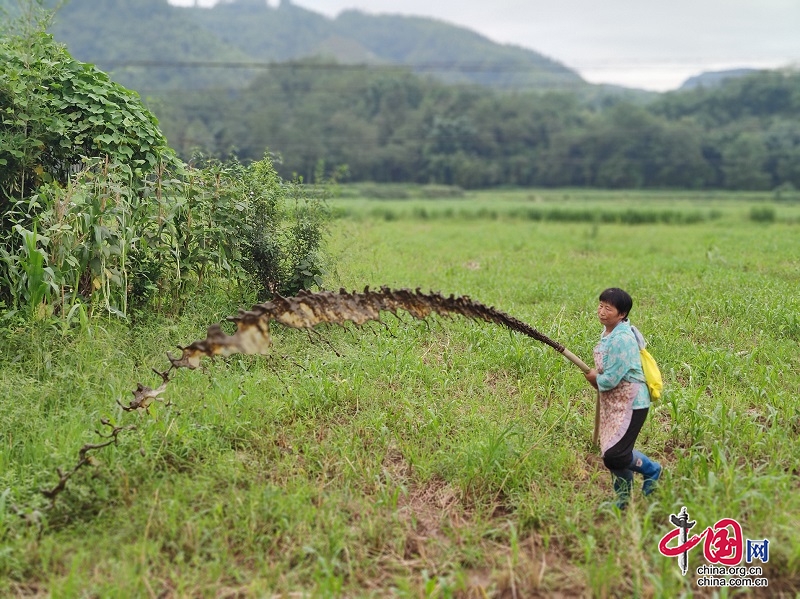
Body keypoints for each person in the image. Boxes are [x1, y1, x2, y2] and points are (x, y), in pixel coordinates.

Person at [583, 287, 662, 509]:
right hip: (614, 403)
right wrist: (597, 378)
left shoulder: (623, 339)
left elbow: (612, 378)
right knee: (612, 451)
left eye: (608, 308)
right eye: (600, 305)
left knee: (615, 455)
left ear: (622, 314)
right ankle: (623, 499)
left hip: (631, 404)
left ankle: (651, 470)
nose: (602, 311)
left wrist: (594, 378)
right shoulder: (610, 333)